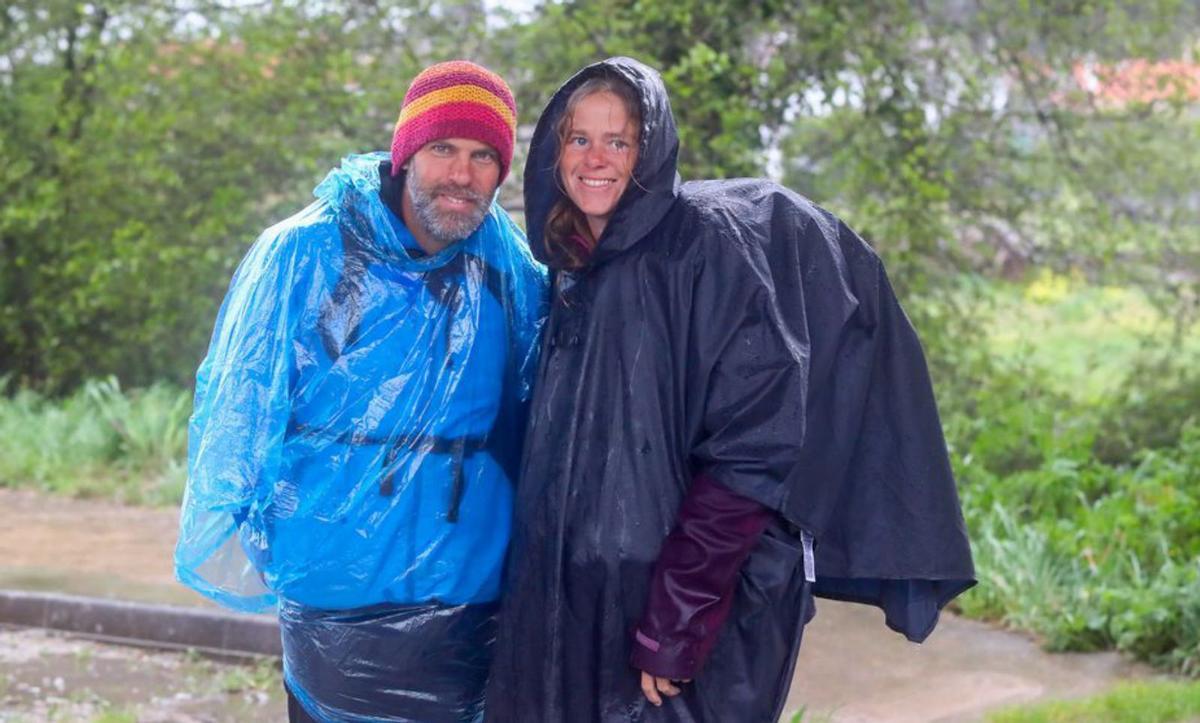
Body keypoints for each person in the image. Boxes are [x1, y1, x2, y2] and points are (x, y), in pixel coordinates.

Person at [486, 57, 975, 722]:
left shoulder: (701, 254)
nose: (595, 159)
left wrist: (675, 623)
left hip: (676, 618)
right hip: (577, 608)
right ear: (553, 150)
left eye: (618, 140)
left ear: (648, 152)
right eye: (579, 139)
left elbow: (750, 456)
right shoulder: (574, 268)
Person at [174, 60, 547, 722]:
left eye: (483, 156)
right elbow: (241, 403)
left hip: (468, 599)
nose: (462, 175)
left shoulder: (505, 260)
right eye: (443, 149)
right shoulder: (302, 252)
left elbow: (546, 393)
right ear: (407, 154)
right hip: (336, 595)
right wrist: (238, 534)